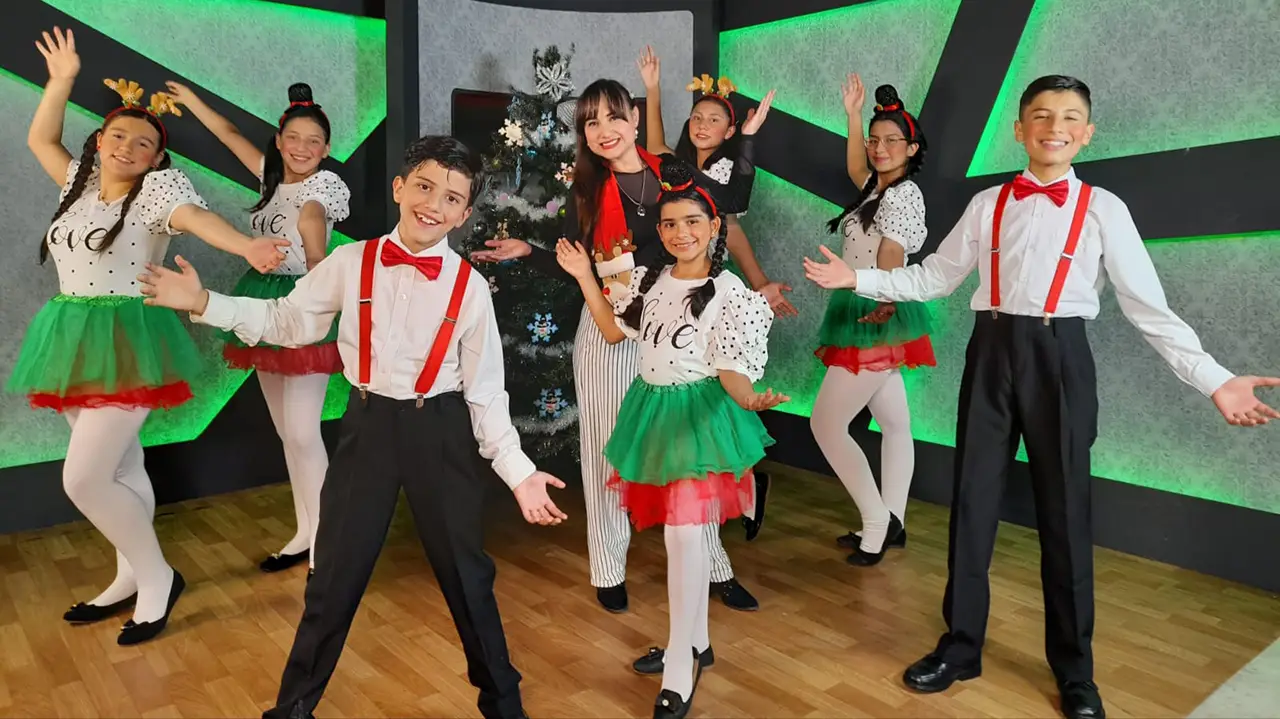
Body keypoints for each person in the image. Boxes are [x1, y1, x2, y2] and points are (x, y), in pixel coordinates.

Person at [803, 74, 1280, 719]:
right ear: (1020, 129)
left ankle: (1076, 672)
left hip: (1061, 358)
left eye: (1070, 117)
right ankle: (960, 645)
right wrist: (858, 277)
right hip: (991, 351)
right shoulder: (987, 204)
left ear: (1087, 133)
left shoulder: (1104, 209)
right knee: (972, 504)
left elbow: (1149, 308)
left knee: (1065, 515)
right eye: (1043, 115)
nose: (1055, 127)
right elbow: (935, 276)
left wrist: (1215, 379)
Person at [139, 135, 566, 719]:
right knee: (332, 576)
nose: (433, 205)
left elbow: (486, 392)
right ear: (399, 188)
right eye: (424, 187)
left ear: (464, 214)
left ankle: (504, 704)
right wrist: (205, 301)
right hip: (368, 425)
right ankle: (292, 709)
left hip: (439, 431)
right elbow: (288, 320)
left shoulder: (469, 288)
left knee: (467, 577)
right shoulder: (351, 262)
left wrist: (518, 473)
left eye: (451, 198)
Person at [7, 26, 288, 646]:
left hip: (130, 337)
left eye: (144, 142)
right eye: (118, 136)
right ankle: (129, 575)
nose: (128, 147)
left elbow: (198, 219)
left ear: (159, 158)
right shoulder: (78, 183)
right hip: (72, 333)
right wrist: (60, 81)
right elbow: (40, 138)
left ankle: (159, 576)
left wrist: (246, 246)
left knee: (84, 479)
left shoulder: (160, 190)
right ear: (99, 142)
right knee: (121, 466)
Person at [471, 78, 773, 613]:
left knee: (691, 450)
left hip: (678, 324)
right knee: (605, 449)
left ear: (635, 120)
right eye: (591, 122)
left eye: (614, 117)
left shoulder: (671, 171)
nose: (604, 130)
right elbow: (575, 267)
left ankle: (714, 566)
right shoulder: (585, 191)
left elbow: (730, 203)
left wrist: (746, 140)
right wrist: (528, 251)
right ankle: (608, 567)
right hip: (607, 326)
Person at [556, 155, 783, 719]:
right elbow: (612, 332)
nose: (682, 233)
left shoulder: (729, 291)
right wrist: (584, 276)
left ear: (714, 227)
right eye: (670, 224)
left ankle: (682, 662)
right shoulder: (651, 281)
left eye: (693, 222)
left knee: (684, 539)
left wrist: (749, 399)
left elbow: (732, 370)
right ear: (659, 231)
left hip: (699, 420)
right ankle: (697, 643)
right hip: (654, 413)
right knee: (681, 539)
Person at [166, 79, 351, 576]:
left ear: (326, 148)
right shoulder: (270, 176)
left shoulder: (326, 186)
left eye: (314, 141)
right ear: (279, 139)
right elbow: (229, 135)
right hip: (262, 300)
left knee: (304, 432)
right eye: (294, 138)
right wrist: (192, 102)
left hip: (305, 302)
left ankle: (330, 542)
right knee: (287, 433)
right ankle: (306, 531)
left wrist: (317, 261)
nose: (303, 148)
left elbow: (312, 216)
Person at [637, 45, 792, 539]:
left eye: (715, 119)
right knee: (691, 392)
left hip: (709, 283)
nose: (703, 125)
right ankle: (713, 496)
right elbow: (656, 144)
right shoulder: (679, 166)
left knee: (717, 394)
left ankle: (737, 489)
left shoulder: (723, 171)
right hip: (673, 280)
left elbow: (734, 213)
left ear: (729, 130)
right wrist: (652, 88)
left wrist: (748, 140)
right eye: (697, 117)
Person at [811, 78, 935, 565]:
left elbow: (891, 250)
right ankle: (894, 520)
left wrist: (884, 296)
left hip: (875, 305)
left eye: (892, 141)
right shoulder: (875, 185)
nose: (880, 148)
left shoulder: (903, 195)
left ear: (912, 148)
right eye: (874, 140)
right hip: (868, 299)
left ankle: (876, 522)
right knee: (894, 422)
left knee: (826, 424)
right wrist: (853, 114)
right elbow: (855, 167)